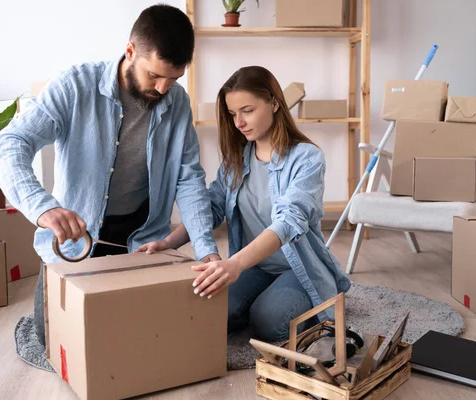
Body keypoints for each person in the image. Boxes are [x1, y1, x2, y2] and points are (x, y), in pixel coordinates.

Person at [0, 4, 220, 346]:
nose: (163, 88)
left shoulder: (177, 103)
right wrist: (42, 206)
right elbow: (8, 144)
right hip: (75, 240)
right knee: (52, 335)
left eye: (174, 79)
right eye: (155, 75)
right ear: (130, 51)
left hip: (142, 240)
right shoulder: (74, 85)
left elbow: (188, 178)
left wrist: (206, 250)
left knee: (150, 337)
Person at [136, 66, 351, 341]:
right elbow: (210, 209)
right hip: (254, 266)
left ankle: (319, 299)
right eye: (233, 113)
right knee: (208, 308)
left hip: (297, 268)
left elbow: (288, 222)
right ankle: (263, 299)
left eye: (247, 111)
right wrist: (168, 243)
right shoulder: (237, 160)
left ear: (274, 103)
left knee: (269, 323)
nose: (239, 122)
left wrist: (233, 265)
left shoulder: (306, 158)